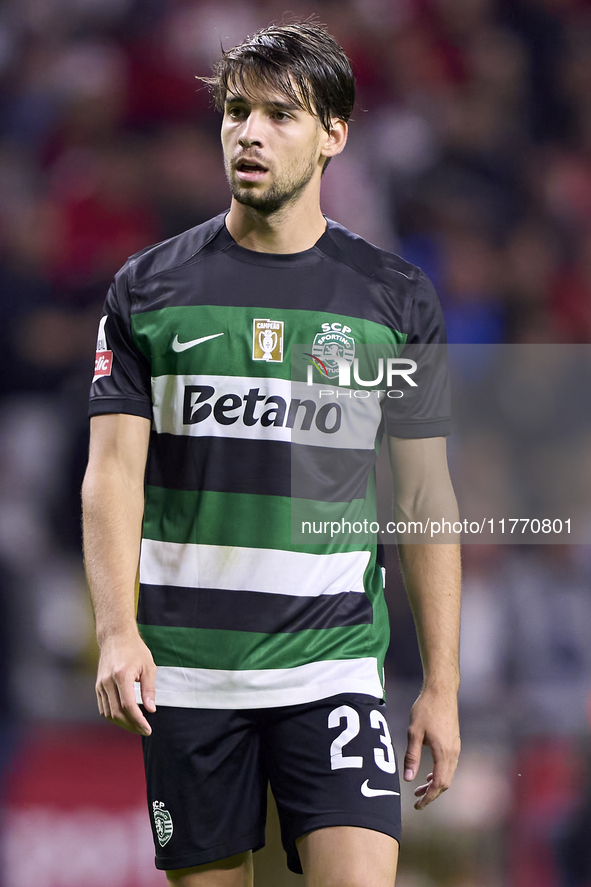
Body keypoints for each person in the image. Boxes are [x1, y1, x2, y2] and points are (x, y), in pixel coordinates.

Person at [82, 20, 461, 887]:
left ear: (334, 135)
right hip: (188, 679)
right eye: (235, 111)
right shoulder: (147, 292)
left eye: (279, 115)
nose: (248, 132)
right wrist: (115, 632)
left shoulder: (392, 298)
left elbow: (425, 497)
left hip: (331, 668)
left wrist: (441, 682)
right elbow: (111, 473)